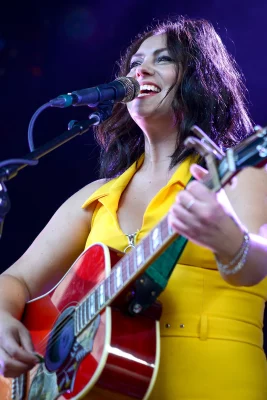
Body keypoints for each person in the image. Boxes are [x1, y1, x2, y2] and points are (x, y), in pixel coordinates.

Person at [0, 16, 267, 400]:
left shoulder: (240, 174)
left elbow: (260, 264)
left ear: (200, 79)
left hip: (215, 380)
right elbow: (15, 281)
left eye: (163, 59)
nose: (140, 69)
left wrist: (230, 242)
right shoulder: (97, 196)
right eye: (134, 63)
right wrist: (4, 320)